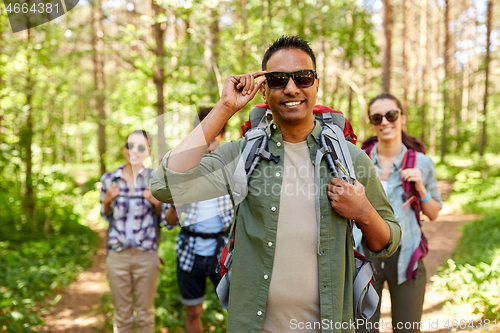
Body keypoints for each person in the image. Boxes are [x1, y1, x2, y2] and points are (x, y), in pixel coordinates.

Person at [151, 35, 401, 333]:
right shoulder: (242, 154)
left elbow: (386, 242)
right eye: (279, 80)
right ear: (264, 90)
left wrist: (363, 211)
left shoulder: (350, 159)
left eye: (303, 78)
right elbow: (165, 185)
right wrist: (226, 107)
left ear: (316, 85)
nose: (292, 88)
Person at [354, 93, 442, 333]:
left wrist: (421, 187)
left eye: (391, 115)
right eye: (377, 117)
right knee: (363, 330)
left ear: (402, 117)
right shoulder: (357, 161)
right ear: (371, 122)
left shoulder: (422, 163)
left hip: (407, 259)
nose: (385, 122)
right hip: (364, 257)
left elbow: (433, 212)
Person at [164, 107, 234, 333]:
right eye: (204, 131)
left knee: (235, 310)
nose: (210, 138)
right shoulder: (180, 167)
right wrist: (176, 206)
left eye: (216, 132)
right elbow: (168, 222)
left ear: (222, 135)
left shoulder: (233, 168)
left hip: (223, 251)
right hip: (189, 251)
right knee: (193, 311)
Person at [100, 130, 167, 333]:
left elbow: (163, 219)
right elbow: (105, 215)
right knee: (122, 316)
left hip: (146, 254)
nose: (134, 151)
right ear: (124, 149)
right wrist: (107, 201)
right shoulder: (109, 179)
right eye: (130, 146)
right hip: (117, 254)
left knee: (145, 314)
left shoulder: (156, 179)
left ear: (148, 151)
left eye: (140, 147)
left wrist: (156, 204)